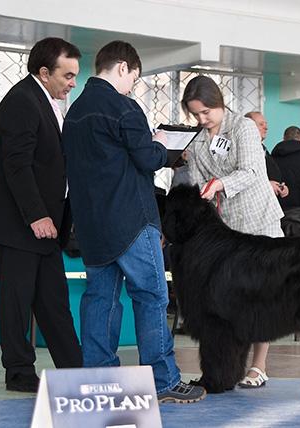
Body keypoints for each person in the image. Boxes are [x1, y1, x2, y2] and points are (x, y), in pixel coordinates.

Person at [61, 40, 205, 404]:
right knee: (152, 297)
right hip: (131, 220)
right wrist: (160, 145)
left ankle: (98, 380)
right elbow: (146, 159)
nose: (132, 86)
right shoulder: (123, 106)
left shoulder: (74, 112)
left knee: (100, 300)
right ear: (123, 68)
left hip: (92, 224)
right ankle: (163, 380)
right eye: (133, 78)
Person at [0, 37, 83, 393]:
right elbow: (16, 166)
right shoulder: (21, 101)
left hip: (47, 227)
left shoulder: (48, 102)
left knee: (54, 302)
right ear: (44, 72)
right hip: (22, 226)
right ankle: (19, 373)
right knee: (17, 301)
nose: (72, 82)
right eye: (67, 75)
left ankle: (74, 369)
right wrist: (36, 215)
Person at [181, 75, 284, 389]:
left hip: (260, 222)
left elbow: (253, 171)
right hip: (227, 231)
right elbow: (199, 185)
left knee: (261, 297)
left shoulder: (243, 127)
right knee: (229, 303)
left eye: (206, 111)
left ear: (219, 102)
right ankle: (226, 369)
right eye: (196, 114)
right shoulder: (197, 142)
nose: (202, 119)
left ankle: (259, 366)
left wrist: (221, 184)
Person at [244, 111, 289, 199]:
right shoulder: (245, 149)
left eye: (265, 124)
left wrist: (280, 186)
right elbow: (243, 178)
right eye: (261, 124)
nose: (266, 127)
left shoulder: (263, 149)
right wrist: (267, 185)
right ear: (249, 127)